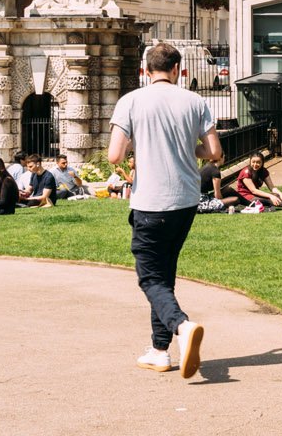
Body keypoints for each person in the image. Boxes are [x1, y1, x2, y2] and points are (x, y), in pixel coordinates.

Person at [107, 40, 223, 379]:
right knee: (165, 273)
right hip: (185, 201)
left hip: (150, 201)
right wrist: (188, 149)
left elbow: (114, 155)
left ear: (145, 70)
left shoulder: (130, 101)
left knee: (150, 277)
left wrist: (136, 150)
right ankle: (160, 350)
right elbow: (213, 151)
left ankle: (181, 326)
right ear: (177, 70)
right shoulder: (195, 100)